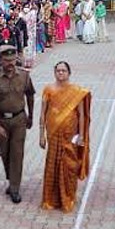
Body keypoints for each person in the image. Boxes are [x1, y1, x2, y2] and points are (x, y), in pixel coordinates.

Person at [0, 39, 36, 204]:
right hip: (2, 120)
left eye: (13, 60)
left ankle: (15, 187)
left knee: (17, 153)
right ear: (1, 60)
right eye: (6, 60)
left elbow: (30, 95)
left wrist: (31, 116)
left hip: (19, 119)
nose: (10, 63)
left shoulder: (24, 75)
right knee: (5, 153)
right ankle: (11, 179)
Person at [38, 61, 91, 213]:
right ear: (55, 72)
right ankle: (50, 199)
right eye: (58, 71)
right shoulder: (48, 90)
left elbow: (81, 115)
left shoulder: (76, 92)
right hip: (53, 135)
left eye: (64, 71)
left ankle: (68, 197)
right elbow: (43, 113)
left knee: (69, 166)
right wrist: (42, 135)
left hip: (70, 137)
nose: (61, 73)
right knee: (52, 165)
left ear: (69, 73)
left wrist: (81, 135)